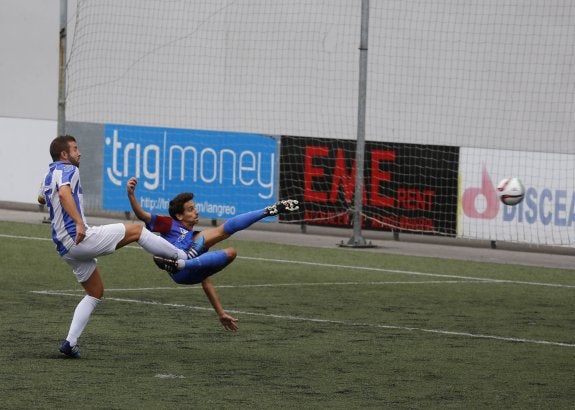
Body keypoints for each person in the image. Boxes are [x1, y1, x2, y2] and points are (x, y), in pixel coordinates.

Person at [40, 135, 190, 359]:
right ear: (64, 155)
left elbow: (41, 198)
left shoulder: (48, 174)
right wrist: (79, 222)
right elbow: (63, 193)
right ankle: (183, 256)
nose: (79, 153)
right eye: (75, 149)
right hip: (79, 239)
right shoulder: (69, 169)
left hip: (64, 248)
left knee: (95, 292)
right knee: (137, 231)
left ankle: (70, 343)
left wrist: (51, 200)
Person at [126, 177, 299, 332]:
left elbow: (205, 280)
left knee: (231, 252)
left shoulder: (195, 241)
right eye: (190, 209)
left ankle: (268, 211)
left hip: (185, 269)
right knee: (215, 234)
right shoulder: (169, 224)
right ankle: (266, 211)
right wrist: (131, 194)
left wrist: (221, 313)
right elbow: (143, 215)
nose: (196, 211)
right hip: (177, 269)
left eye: (195, 208)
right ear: (179, 215)